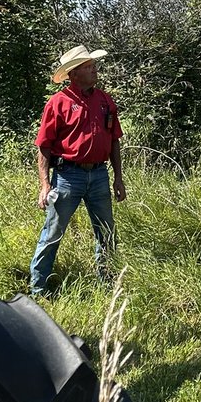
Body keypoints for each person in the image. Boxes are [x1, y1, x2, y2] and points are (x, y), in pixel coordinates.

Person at [30, 44, 126, 295]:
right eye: (88, 67)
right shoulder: (58, 103)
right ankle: (38, 288)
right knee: (53, 232)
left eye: (94, 66)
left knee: (106, 232)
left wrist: (118, 178)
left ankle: (107, 284)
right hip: (67, 176)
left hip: (99, 175)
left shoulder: (105, 100)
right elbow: (44, 146)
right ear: (73, 74)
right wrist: (45, 185)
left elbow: (114, 139)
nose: (95, 70)